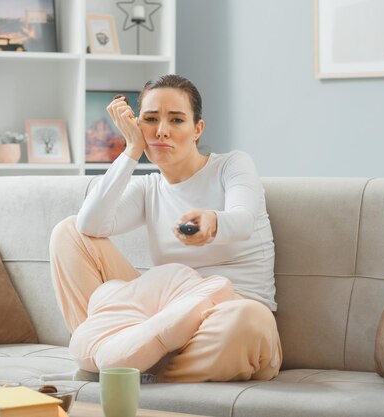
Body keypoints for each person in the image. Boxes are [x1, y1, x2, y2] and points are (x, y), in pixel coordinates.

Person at [49, 74, 281, 382]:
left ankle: (141, 371)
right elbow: (89, 224)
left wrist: (213, 222)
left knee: (251, 320)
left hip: (225, 315)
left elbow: (244, 220)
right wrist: (131, 149)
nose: (162, 131)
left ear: (197, 129)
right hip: (161, 318)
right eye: (150, 119)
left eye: (176, 120)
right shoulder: (148, 189)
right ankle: (111, 352)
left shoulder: (231, 165)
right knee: (69, 234)